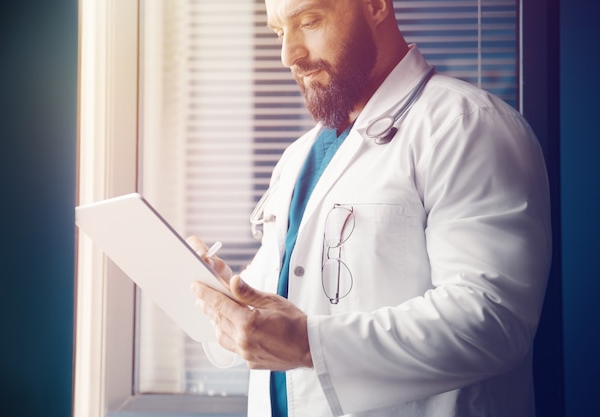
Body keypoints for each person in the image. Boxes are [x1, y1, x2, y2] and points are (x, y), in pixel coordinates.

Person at [189, 0, 552, 416]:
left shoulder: (467, 125)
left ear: (376, 5)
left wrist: (310, 344)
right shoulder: (298, 158)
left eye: (308, 21)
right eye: (278, 32)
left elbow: (492, 322)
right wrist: (224, 295)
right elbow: (281, 308)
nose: (289, 55)